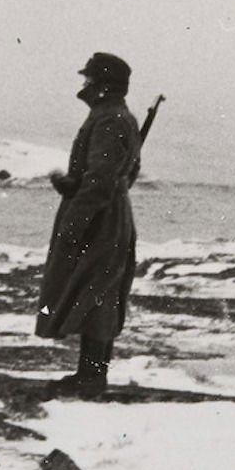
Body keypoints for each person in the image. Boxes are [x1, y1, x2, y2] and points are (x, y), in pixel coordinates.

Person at [35, 52, 142, 399]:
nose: (84, 84)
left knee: (97, 296)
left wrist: (74, 223)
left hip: (101, 219)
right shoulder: (117, 117)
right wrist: (72, 186)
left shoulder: (109, 120)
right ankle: (89, 375)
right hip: (109, 214)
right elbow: (124, 173)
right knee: (97, 294)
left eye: (89, 79)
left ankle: (91, 378)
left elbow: (100, 180)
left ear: (102, 86)